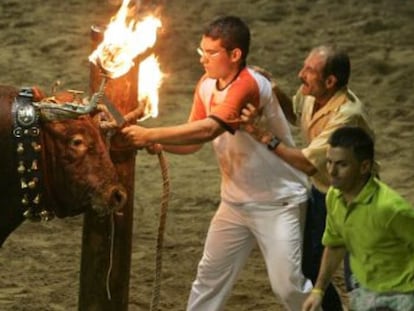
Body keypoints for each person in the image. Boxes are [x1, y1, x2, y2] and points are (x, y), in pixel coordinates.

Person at [121, 15, 315, 311]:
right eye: (202, 51)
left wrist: (149, 132)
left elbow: (210, 128)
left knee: (288, 287)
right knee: (208, 280)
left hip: (278, 202)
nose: (203, 59)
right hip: (235, 204)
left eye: (211, 53)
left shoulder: (248, 84)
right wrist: (158, 143)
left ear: (235, 55)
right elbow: (194, 141)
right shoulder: (207, 84)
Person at [241, 45, 376, 310]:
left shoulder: (347, 115)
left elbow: (306, 163)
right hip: (324, 192)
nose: (301, 74)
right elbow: (295, 114)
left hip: (357, 200)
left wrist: (263, 136)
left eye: (309, 70)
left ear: (330, 81)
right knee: (311, 266)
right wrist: (275, 88)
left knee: (358, 277)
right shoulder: (314, 96)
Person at [302, 126, 414, 311]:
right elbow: (335, 243)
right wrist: (318, 291)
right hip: (365, 293)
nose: (331, 171)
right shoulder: (333, 197)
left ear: (364, 167)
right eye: (329, 162)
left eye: (342, 164)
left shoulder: (390, 209)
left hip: (403, 296)